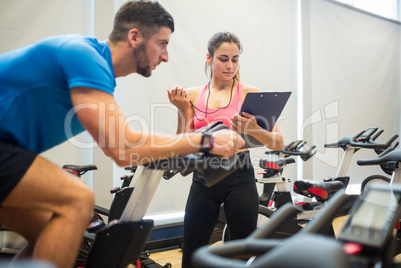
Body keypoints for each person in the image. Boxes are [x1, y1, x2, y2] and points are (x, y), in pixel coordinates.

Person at [0, 2, 244, 268]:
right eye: (162, 43)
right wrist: (206, 140)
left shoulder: (95, 69)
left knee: (46, 229)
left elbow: (124, 143)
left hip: (10, 147)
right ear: (135, 37)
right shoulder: (84, 56)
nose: (166, 56)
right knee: (77, 199)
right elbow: (124, 147)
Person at [167, 30, 285, 268]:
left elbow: (277, 143)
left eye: (235, 59)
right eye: (223, 59)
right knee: (192, 255)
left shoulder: (249, 93)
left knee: (241, 255)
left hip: (239, 177)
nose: (230, 65)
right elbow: (184, 144)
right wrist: (182, 110)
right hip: (204, 178)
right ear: (209, 58)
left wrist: (253, 129)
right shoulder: (192, 95)